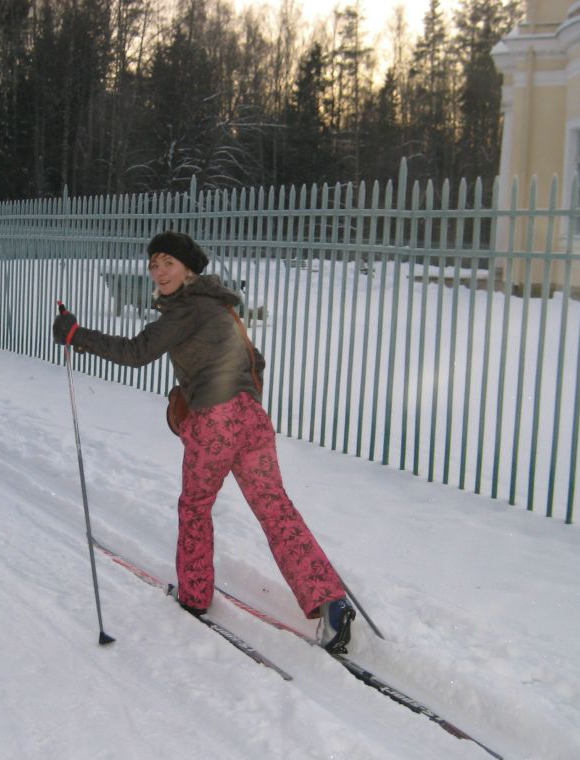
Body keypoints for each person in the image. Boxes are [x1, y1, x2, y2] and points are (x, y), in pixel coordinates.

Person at [53, 231, 356, 652]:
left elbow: (137, 351)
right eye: (154, 264)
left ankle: (195, 595)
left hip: (215, 422)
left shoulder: (187, 307)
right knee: (275, 509)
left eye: (169, 263)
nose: (159, 272)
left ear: (189, 269)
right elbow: (256, 360)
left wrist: (76, 335)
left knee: (195, 507)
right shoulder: (220, 306)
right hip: (252, 419)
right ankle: (330, 601)